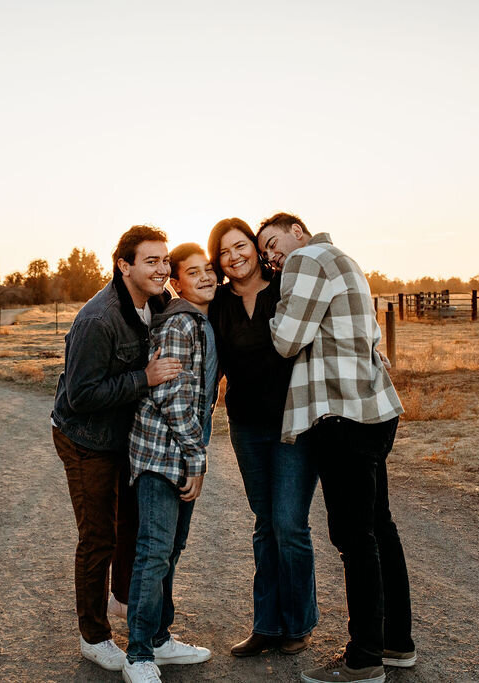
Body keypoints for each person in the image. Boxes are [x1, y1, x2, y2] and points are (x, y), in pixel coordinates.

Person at [258, 213, 415, 683]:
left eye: (273, 241)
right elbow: (371, 336)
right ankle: (395, 643)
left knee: (355, 540)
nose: (270, 254)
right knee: (378, 530)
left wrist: (274, 312)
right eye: (265, 251)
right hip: (373, 411)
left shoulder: (306, 259)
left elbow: (286, 340)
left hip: (342, 416)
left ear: (298, 231)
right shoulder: (346, 261)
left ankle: (364, 659)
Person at [51, 225, 182, 673]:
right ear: (124, 265)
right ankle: (94, 636)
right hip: (85, 439)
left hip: (125, 438)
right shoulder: (98, 319)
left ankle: (132, 608)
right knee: (98, 538)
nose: (162, 268)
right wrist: (143, 378)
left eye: (164, 260)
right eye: (151, 260)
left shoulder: (157, 303)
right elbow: (80, 397)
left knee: (135, 527)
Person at [206, 218, 319, 657]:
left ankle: (298, 622)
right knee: (264, 524)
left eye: (241, 247)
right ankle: (266, 625)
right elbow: (211, 361)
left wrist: (371, 345)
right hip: (248, 427)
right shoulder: (219, 304)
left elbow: (322, 324)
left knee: (289, 523)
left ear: (256, 249)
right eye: (224, 253)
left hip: (295, 423)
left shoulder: (285, 286)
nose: (234, 258)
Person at [123, 243, 218, 683]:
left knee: (171, 552)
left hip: (181, 451)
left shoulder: (200, 321)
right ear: (176, 283)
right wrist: (196, 458)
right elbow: (170, 394)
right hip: (163, 454)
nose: (206, 277)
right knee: (155, 553)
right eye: (193, 272)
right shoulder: (181, 322)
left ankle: (160, 640)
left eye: (209, 269)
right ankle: (138, 655)